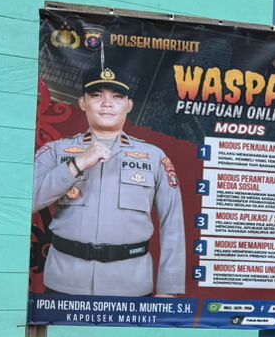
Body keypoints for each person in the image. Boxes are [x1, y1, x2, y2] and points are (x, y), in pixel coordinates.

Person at [32, 68, 185, 297]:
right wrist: (77, 164)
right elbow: (28, 202)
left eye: (117, 96)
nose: (107, 103)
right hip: (64, 284)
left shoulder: (154, 157)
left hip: (131, 285)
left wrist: (169, 290)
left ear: (129, 105)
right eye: (96, 95)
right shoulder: (55, 152)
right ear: (82, 103)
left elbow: (172, 223)